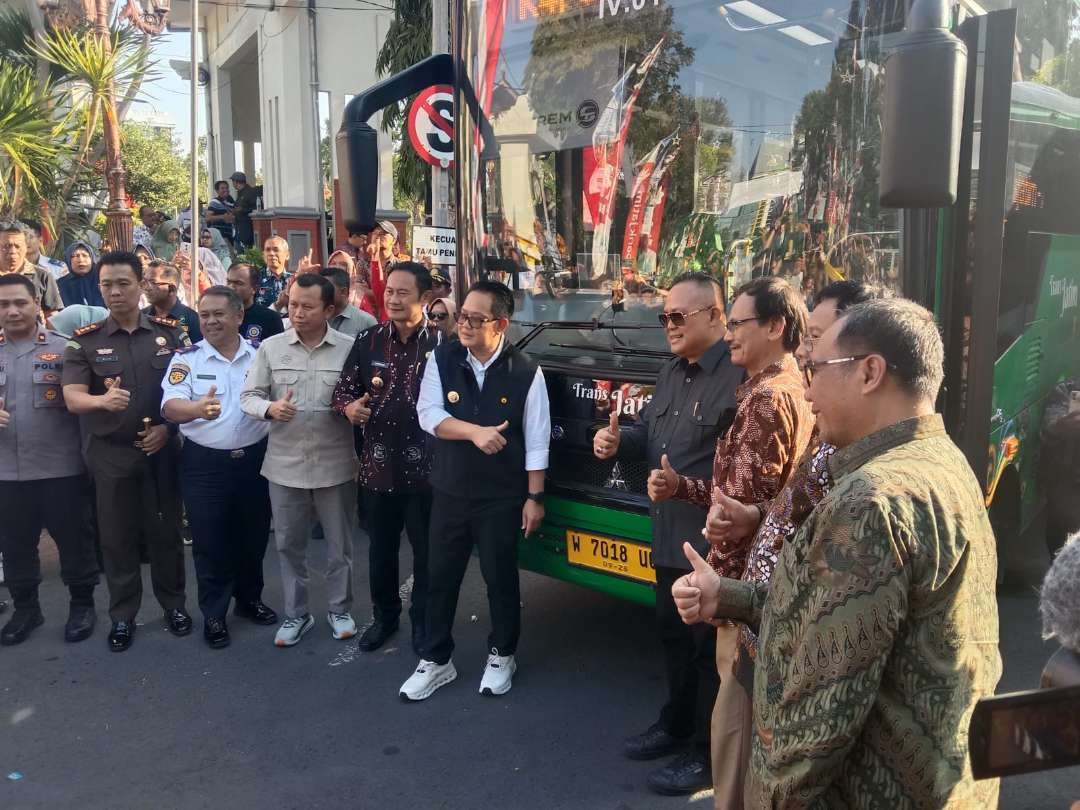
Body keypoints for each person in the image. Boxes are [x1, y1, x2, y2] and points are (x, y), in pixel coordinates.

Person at [673, 298, 1003, 808]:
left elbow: (815, 729)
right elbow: (837, 612)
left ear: (870, 372)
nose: (807, 392)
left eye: (816, 370)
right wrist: (732, 597)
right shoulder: (943, 462)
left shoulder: (871, 502)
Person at [650, 275, 814, 808]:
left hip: (742, 590)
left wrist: (715, 590)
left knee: (734, 722)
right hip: (756, 585)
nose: (731, 335)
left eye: (738, 323)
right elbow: (749, 500)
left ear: (775, 326)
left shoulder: (768, 400)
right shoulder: (783, 387)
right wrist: (682, 486)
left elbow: (737, 520)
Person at [592, 272, 743, 795]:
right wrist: (619, 441)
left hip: (713, 547)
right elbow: (655, 437)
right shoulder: (672, 371)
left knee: (709, 654)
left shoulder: (740, 379)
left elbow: (744, 478)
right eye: (665, 317)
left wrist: (683, 485)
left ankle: (704, 753)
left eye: (680, 316)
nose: (669, 326)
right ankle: (676, 724)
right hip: (667, 535)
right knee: (673, 638)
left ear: (716, 317)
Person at [400, 280, 550, 701]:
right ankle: (436, 658)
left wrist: (534, 497)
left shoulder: (525, 371)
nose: (463, 324)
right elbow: (429, 414)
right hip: (449, 490)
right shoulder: (443, 358)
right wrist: (475, 433)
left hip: (502, 495)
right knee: (439, 576)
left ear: (500, 323)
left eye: (475, 318)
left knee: (500, 578)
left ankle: (503, 654)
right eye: (461, 314)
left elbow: (537, 439)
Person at [61, 251, 192, 652]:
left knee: (165, 533)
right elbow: (71, 397)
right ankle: (122, 616)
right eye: (107, 285)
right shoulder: (85, 341)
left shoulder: (170, 335)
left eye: (124, 283)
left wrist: (169, 430)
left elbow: (185, 390)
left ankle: (174, 606)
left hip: (161, 450)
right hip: (111, 453)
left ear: (141, 286)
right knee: (117, 539)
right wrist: (102, 403)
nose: (115, 292)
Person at [240, 274, 359, 647]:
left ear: (329, 309)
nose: (298, 312)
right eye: (293, 304)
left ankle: (340, 609)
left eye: (307, 306)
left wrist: (354, 409)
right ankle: (297, 614)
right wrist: (270, 408)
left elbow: (359, 396)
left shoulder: (349, 349)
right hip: (284, 465)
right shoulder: (272, 348)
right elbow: (248, 396)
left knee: (340, 546)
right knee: (289, 545)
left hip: (335, 463)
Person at [332, 262, 439, 656]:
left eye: (402, 293)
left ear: (425, 299)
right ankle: (384, 617)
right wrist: (350, 410)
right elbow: (342, 393)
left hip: (429, 472)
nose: (392, 299)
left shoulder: (444, 346)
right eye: (389, 292)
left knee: (428, 554)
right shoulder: (368, 341)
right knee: (380, 551)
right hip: (377, 467)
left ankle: (424, 620)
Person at [162, 286, 277, 648]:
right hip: (205, 465)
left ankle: (249, 600)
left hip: (255, 461)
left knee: (253, 536)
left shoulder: (261, 356)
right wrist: (196, 409)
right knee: (210, 541)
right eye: (204, 314)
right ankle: (214, 613)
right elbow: (170, 407)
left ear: (239, 316)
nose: (210, 321)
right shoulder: (187, 359)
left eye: (218, 314)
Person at [0, 274, 100, 645]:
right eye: (3, 304)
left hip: (61, 467)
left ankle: (82, 605)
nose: (11, 311)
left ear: (36, 303)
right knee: (14, 544)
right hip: (7, 471)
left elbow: (86, 407)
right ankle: (27, 609)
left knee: (74, 541)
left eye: (19, 303)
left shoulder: (64, 349)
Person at [0, 223, 63, 317]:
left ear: (26, 247)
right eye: (6, 246)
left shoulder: (43, 276)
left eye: (17, 246)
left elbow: (52, 317)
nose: (13, 251)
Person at [143, 260, 202, 343]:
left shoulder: (192, 319)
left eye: (152, 283)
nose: (146, 288)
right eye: (145, 282)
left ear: (171, 289)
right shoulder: (141, 317)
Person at [360, 220, 408, 321]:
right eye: (375, 233)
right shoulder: (362, 264)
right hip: (367, 315)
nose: (377, 236)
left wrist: (371, 292)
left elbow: (388, 294)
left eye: (383, 234)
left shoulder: (400, 266)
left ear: (394, 240)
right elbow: (359, 290)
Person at [226, 261, 284, 344]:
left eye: (238, 283)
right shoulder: (217, 315)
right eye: (228, 282)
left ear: (254, 288)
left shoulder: (270, 319)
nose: (231, 287)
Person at [320, 266, 377, 339]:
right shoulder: (316, 318)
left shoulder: (365, 321)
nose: (321, 293)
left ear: (343, 292)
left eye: (326, 289)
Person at [59, 241, 104, 308]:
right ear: (68, 260)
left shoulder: (103, 280)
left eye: (85, 255)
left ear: (92, 258)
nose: (81, 260)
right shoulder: (61, 285)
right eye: (76, 256)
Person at [256, 236, 291, 310]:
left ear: (287, 255)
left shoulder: (293, 280)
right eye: (268, 250)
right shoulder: (255, 278)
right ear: (263, 255)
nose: (271, 253)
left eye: (276, 250)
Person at [230, 172, 261, 250]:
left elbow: (257, 209)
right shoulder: (240, 193)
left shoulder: (250, 192)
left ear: (236, 182)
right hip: (239, 229)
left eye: (233, 181)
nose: (232, 184)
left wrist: (242, 210)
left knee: (243, 256)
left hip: (247, 231)